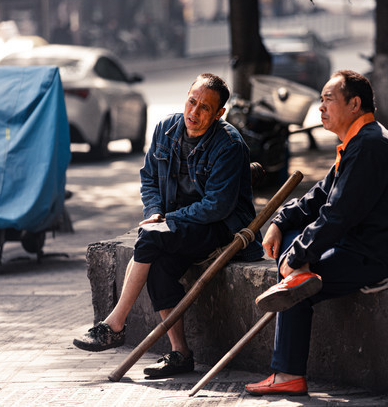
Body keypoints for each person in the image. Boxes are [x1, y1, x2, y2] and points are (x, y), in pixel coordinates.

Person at [245, 70, 388, 396]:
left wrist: (296, 258)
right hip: (360, 244)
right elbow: (318, 197)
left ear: (355, 104)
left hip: (380, 255)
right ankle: (295, 283)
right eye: (321, 101)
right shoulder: (358, 141)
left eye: (328, 99)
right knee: (291, 249)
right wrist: (279, 223)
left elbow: (338, 215)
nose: (321, 108)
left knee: (297, 282)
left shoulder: (371, 145)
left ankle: (287, 373)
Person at [73, 73, 263, 378]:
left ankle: (114, 325)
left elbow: (217, 206)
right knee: (159, 267)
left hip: (219, 227)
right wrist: (155, 211)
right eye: (192, 101)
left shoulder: (228, 144)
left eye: (205, 108)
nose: (194, 113)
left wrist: (167, 221)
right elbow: (148, 178)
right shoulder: (165, 129)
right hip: (178, 224)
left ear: (219, 114)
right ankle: (181, 354)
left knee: (149, 240)